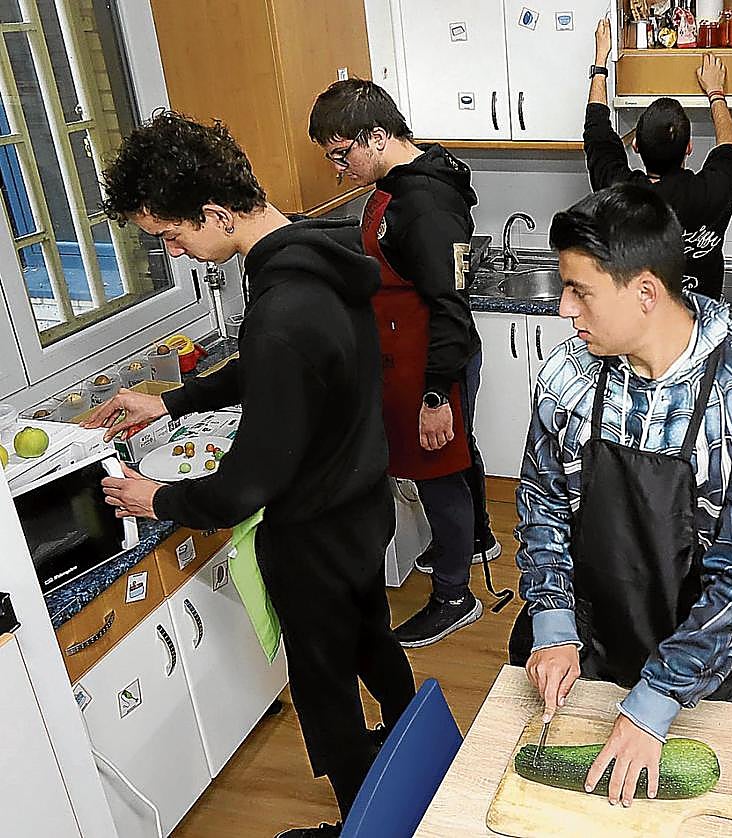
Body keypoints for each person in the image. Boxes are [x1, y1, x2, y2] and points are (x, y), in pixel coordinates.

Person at [88, 112, 415, 837]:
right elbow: (276, 372)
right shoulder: (319, 255)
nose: (174, 252)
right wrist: (173, 399)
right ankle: (413, 751)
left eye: (171, 236)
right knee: (372, 638)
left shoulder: (282, 310)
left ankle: (361, 826)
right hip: (364, 505)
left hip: (315, 537)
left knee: (325, 690)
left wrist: (157, 496)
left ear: (215, 213)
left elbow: (243, 487)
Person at [509, 183, 732, 805]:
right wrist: (552, 623)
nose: (563, 309)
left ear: (645, 292)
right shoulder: (566, 376)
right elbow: (542, 507)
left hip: (691, 677)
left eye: (579, 291)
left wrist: (656, 700)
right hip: (579, 652)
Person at [309, 79, 500, 648]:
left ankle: (454, 597)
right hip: (414, 356)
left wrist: (435, 395)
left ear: (376, 136)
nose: (339, 170)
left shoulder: (426, 203)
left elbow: (449, 305)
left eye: (341, 155)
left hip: (432, 361)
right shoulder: (399, 185)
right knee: (455, 457)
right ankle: (475, 539)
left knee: (439, 472)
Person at [584, 18, 732, 301]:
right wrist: (716, 93)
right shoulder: (713, 191)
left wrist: (600, 60)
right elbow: (729, 147)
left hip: (641, 324)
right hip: (699, 324)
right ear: (689, 148)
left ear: (635, 145)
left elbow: (597, 131)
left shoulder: (619, 195)